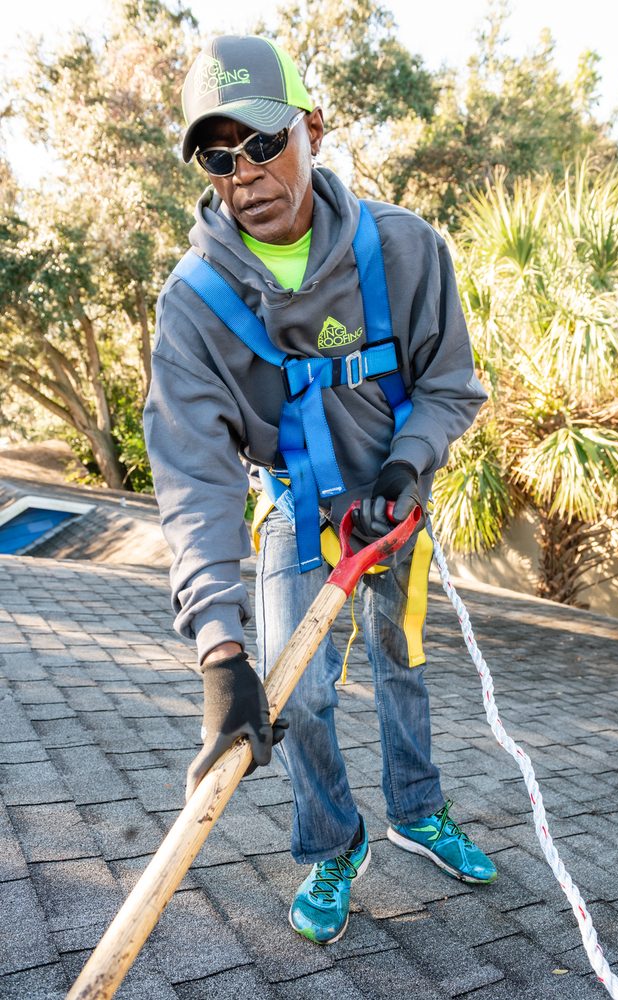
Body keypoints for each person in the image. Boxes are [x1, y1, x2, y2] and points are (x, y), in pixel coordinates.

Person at [144, 34, 495, 946]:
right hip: (293, 513)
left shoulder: (407, 249)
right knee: (292, 696)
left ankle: (418, 812)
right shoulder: (194, 304)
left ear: (314, 128)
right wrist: (219, 652)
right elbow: (193, 479)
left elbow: (452, 384)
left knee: (401, 662)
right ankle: (334, 845)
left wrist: (407, 466)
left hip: (393, 506)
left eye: (264, 142)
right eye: (219, 157)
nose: (245, 173)